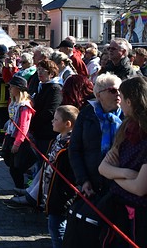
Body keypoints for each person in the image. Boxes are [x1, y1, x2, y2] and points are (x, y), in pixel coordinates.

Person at [63, 73, 123, 247]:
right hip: (92, 182)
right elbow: (75, 149)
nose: (117, 94)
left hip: (119, 184)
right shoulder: (88, 113)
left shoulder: (127, 115)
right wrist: (83, 180)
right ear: (99, 95)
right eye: (112, 90)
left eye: (120, 90)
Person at [98, 76, 147, 248]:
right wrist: (125, 174)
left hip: (140, 216)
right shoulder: (126, 128)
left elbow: (140, 188)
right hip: (118, 209)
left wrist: (115, 174)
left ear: (129, 101)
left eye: (122, 98)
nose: (119, 102)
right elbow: (103, 168)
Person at [41, 105, 80, 248]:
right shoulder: (58, 139)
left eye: (56, 119)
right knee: (55, 226)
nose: (52, 121)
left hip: (62, 195)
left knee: (57, 229)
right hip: (51, 190)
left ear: (67, 124)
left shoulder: (71, 145)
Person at [1, 75, 36, 189]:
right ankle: (20, 187)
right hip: (11, 136)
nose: (9, 89)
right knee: (11, 164)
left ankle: (20, 188)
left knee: (16, 167)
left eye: (11, 87)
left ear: (18, 88)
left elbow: (23, 126)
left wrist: (17, 143)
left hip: (20, 140)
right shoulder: (14, 103)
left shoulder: (24, 106)